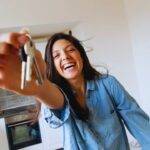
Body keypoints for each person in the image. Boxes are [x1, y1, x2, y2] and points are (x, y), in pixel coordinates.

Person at [0, 32, 150, 150]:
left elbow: (141, 125)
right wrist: (41, 89)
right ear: (53, 65)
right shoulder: (56, 93)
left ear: (81, 56)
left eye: (71, 50)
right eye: (56, 55)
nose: (65, 57)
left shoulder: (108, 84)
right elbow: (57, 104)